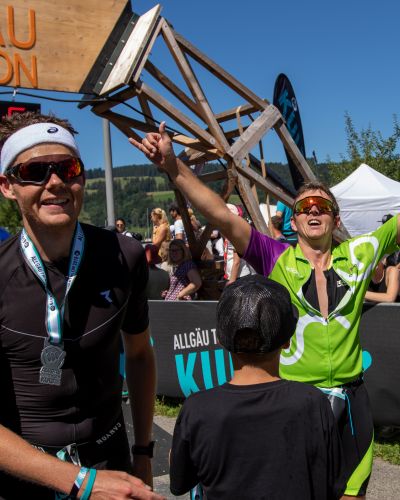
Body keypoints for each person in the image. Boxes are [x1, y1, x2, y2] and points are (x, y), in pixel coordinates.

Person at [130, 121, 400, 499]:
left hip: (351, 400)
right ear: (295, 220)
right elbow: (221, 217)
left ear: (336, 220)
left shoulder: (361, 252)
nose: (314, 210)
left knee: (352, 493)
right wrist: (174, 167)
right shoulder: (276, 257)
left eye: (323, 206)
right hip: (295, 401)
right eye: (305, 206)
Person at [0, 112, 163, 500]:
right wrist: (79, 481)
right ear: (8, 186)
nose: (55, 182)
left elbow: (139, 355)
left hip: (110, 460)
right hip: (26, 477)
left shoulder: (124, 255)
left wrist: (143, 450)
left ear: (82, 177)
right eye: (35, 171)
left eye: (67, 167)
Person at [170, 275, 346, 499]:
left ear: (221, 339)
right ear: (287, 340)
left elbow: (179, 481)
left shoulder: (198, 409)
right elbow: (333, 484)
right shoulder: (313, 402)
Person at [223, 203, 253, 285]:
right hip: (235, 276)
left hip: (238, 277)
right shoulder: (231, 232)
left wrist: (232, 281)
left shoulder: (235, 234)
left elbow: (236, 261)